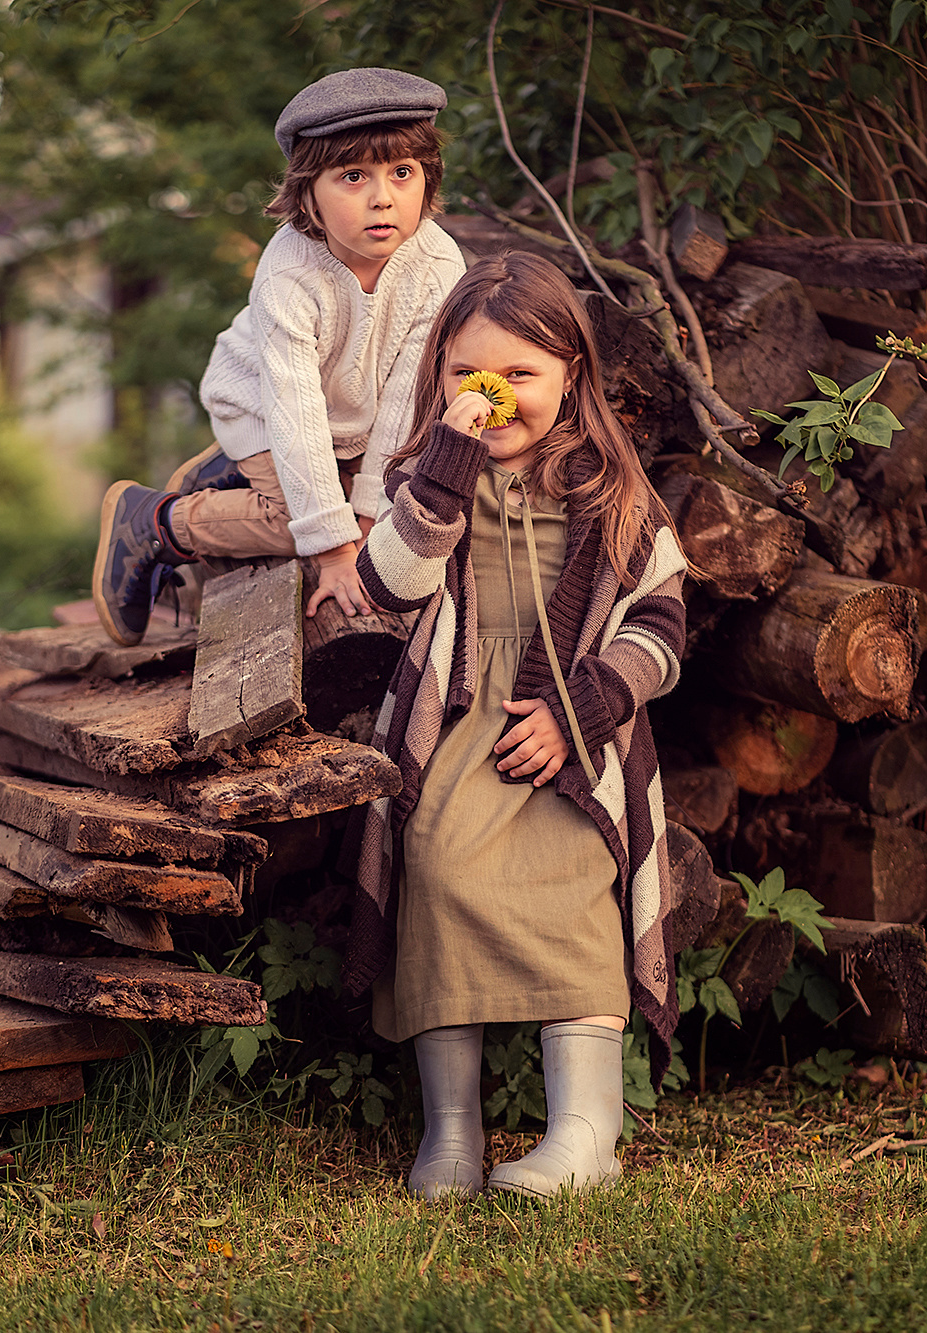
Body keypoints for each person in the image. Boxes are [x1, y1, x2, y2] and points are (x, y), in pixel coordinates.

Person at [340, 252, 691, 1199]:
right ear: (442, 374)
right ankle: (451, 1131)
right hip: (460, 724)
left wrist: (584, 708)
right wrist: (445, 466)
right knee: (440, 873)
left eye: (519, 376)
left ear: (571, 375)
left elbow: (661, 627)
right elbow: (387, 588)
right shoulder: (430, 478)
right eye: (468, 375)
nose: (491, 396)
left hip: (575, 739)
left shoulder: (611, 490)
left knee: (579, 888)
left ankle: (587, 1133)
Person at [91, 67, 467, 644]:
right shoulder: (291, 271)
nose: (382, 196)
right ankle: (153, 522)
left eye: (402, 172)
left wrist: (368, 525)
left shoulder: (439, 264)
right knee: (299, 525)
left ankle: (222, 474)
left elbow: (403, 402)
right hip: (261, 405)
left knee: (367, 523)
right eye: (352, 176)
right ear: (308, 192)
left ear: (427, 178)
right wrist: (338, 548)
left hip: (354, 425)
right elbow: (294, 409)